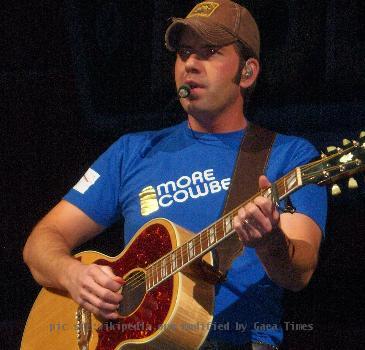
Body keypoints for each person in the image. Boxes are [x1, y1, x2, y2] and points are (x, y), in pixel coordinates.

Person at [23, 0, 327, 349]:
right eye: (184, 53)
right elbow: (42, 242)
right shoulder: (131, 151)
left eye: (210, 52)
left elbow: (299, 273)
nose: (191, 65)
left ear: (247, 72)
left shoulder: (290, 156)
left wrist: (269, 241)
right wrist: (73, 275)